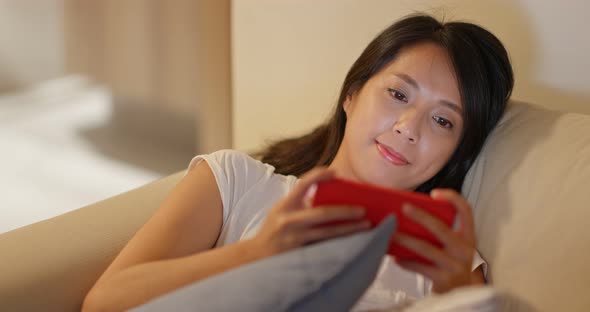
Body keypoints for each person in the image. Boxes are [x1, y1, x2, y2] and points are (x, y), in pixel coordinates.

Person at [82, 13, 514, 312]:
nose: (409, 127)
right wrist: (258, 252)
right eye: (398, 94)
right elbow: (103, 304)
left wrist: (455, 293)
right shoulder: (237, 181)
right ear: (351, 95)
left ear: (457, 150)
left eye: (443, 120)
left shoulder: (445, 262)